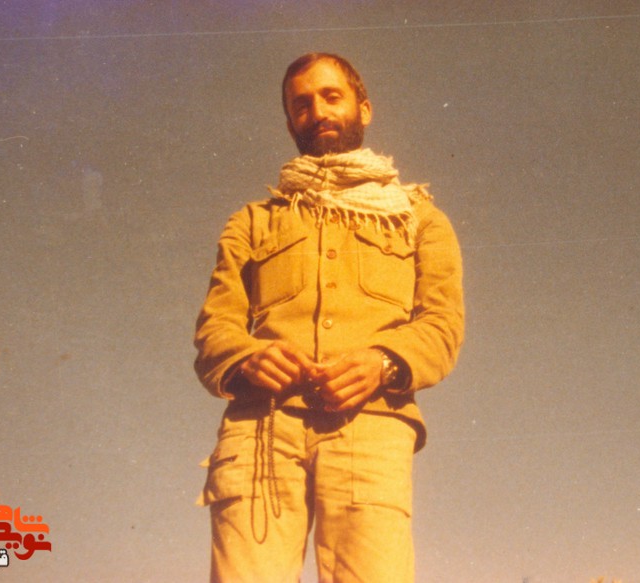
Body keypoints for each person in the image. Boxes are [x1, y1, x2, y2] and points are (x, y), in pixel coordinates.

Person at [194, 52, 464, 583]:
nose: (317, 111)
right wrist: (248, 358)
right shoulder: (251, 222)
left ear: (364, 108)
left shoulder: (421, 219)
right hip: (259, 429)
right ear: (290, 123)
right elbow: (215, 329)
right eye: (301, 104)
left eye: (331, 97)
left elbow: (442, 325)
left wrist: (383, 363)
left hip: (372, 426)